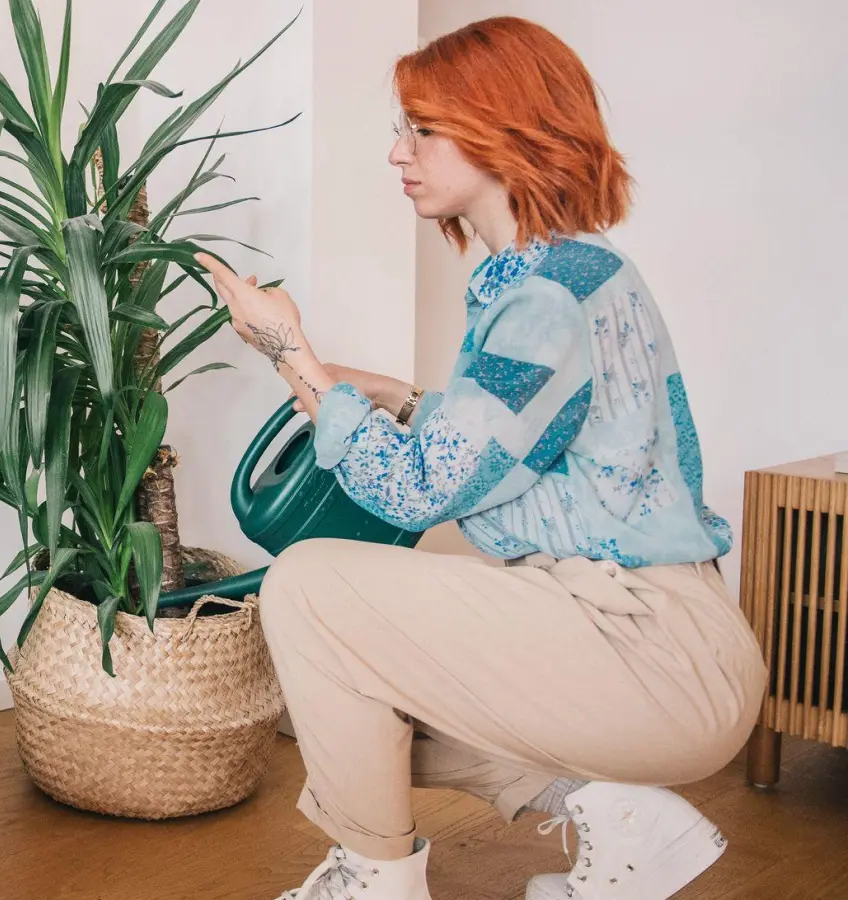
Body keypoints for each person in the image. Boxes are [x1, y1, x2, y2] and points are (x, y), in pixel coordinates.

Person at [194, 16, 765, 900]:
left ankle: (376, 879)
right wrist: (385, 394)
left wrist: (288, 349)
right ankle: (623, 815)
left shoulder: (544, 297)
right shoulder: (569, 272)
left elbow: (418, 488)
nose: (398, 152)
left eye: (422, 129)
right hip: (644, 635)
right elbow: (521, 445)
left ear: (506, 130)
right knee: (355, 696)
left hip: (653, 653)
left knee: (307, 585)